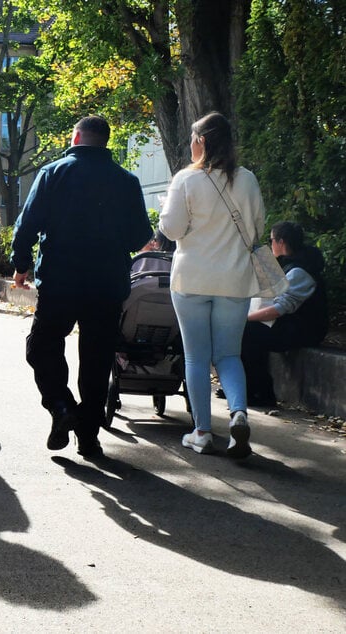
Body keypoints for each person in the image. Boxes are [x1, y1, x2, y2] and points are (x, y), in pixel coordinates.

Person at [12, 116, 151, 459]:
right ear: (106, 141)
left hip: (60, 280)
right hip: (106, 284)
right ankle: (89, 437)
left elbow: (27, 223)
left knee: (42, 345)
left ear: (75, 137)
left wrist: (20, 265)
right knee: (96, 358)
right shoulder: (127, 181)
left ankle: (61, 407)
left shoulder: (52, 173)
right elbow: (139, 236)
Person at [159, 111, 264, 459]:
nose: (190, 144)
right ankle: (238, 416)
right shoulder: (247, 179)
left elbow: (171, 231)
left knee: (196, 357)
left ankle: (202, 431)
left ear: (202, 141)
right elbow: (258, 230)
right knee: (229, 354)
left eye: (193, 138)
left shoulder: (186, 180)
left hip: (191, 277)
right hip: (234, 280)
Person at [242, 221, 328, 407]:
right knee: (250, 331)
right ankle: (247, 389)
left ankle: (260, 393)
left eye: (271, 240)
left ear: (281, 242)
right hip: (292, 325)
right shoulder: (292, 264)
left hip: (304, 330)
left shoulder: (300, 271)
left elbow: (279, 308)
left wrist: (245, 318)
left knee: (248, 332)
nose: (270, 244)